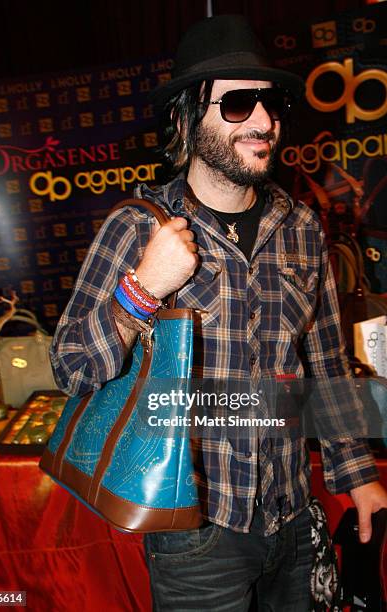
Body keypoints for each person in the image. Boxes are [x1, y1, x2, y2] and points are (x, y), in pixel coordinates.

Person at [50, 14, 387, 612]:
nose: (263, 121)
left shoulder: (301, 226)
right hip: (196, 531)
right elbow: (71, 367)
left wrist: (356, 473)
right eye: (237, 105)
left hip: (292, 514)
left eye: (270, 103)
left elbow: (327, 362)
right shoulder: (136, 228)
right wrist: (143, 289)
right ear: (186, 116)